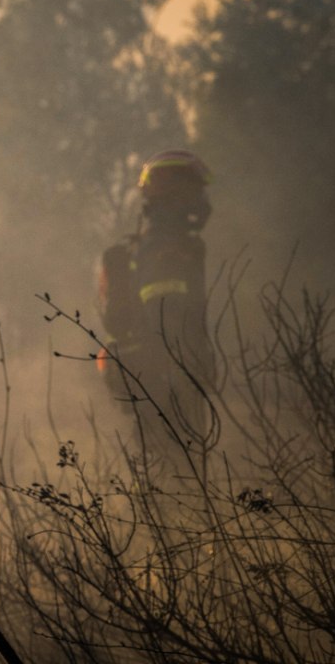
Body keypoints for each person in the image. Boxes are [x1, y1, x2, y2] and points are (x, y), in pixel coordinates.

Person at [96, 149, 217, 461]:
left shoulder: (156, 242)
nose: (200, 199)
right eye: (194, 189)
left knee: (161, 467)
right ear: (176, 192)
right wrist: (186, 368)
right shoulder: (168, 245)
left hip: (155, 378)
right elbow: (166, 316)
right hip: (167, 380)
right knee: (177, 470)